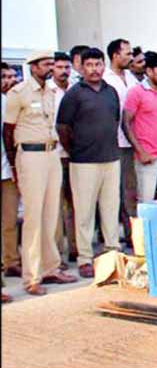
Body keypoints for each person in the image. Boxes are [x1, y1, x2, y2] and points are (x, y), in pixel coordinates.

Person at [3, 50, 78, 295]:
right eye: (46, 64)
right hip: (30, 155)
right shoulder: (18, 93)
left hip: (50, 153)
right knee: (33, 218)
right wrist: (14, 165)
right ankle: (31, 277)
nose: (50, 68)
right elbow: (8, 131)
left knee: (50, 215)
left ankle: (51, 268)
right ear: (33, 67)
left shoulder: (50, 93)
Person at [57, 48, 122, 279]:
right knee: (84, 212)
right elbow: (63, 127)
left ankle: (112, 251)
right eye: (90, 65)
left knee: (110, 208)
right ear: (81, 68)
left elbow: (116, 120)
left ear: (103, 66)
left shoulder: (111, 92)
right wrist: (76, 150)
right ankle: (85, 258)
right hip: (83, 161)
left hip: (111, 159)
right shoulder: (74, 94)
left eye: (98, 64)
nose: (95, 69)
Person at [123, 51, 157, 204]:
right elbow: (126, 123)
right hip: (147, 156)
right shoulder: (136, 92)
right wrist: (141, 151)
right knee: (146, 203)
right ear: (148, 71)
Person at [103, 39, 137, 242]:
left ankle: (133, 235)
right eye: (127, 53)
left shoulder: (131, 78)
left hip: (132, 142)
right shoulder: (106, 79)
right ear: (115, 55)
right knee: (114, 194)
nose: (130, 57)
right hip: (113, 142)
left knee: (131, 191)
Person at [48, 52, 77, 264]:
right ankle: (56, 254)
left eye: (67, 67)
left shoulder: (76, 89)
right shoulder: (47, 92)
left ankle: (75, 249)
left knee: (75, 203)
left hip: (76, 154)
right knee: (56, 206)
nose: (64, 71)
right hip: (55, 154)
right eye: (59, 67)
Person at [2, 62, 22, 279]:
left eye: (10, 76)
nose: (8, 81)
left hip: (8, 171)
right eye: (3, 77)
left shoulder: (11, 102)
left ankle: (11, 261)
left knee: (10, 220)